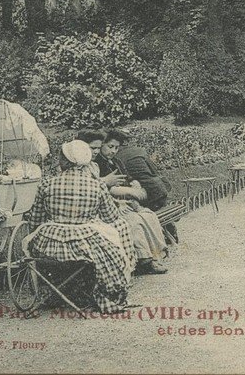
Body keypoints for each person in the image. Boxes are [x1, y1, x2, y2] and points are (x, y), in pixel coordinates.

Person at [24, 141, 137, 312]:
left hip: (49, 246)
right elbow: (111, 217)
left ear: (68, 161)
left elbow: (35, 221)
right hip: (83, 246)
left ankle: (58, 291)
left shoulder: (47, 183)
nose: (59, 160)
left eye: (61, 157)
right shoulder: (96, 185)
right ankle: (102, 290)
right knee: (116, 233)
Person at [77, 130, 169, 275]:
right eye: (110, 147)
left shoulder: (112, 162)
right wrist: (121, 199)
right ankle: (144, 259)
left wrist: (134, 184)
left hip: (119, 202)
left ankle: (156, 254)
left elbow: (127, 178)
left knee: (148, 215)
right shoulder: (95, 165)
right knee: (134, 221)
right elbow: (103, 190)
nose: (113, 151)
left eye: (116, 148)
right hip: (105, 207)